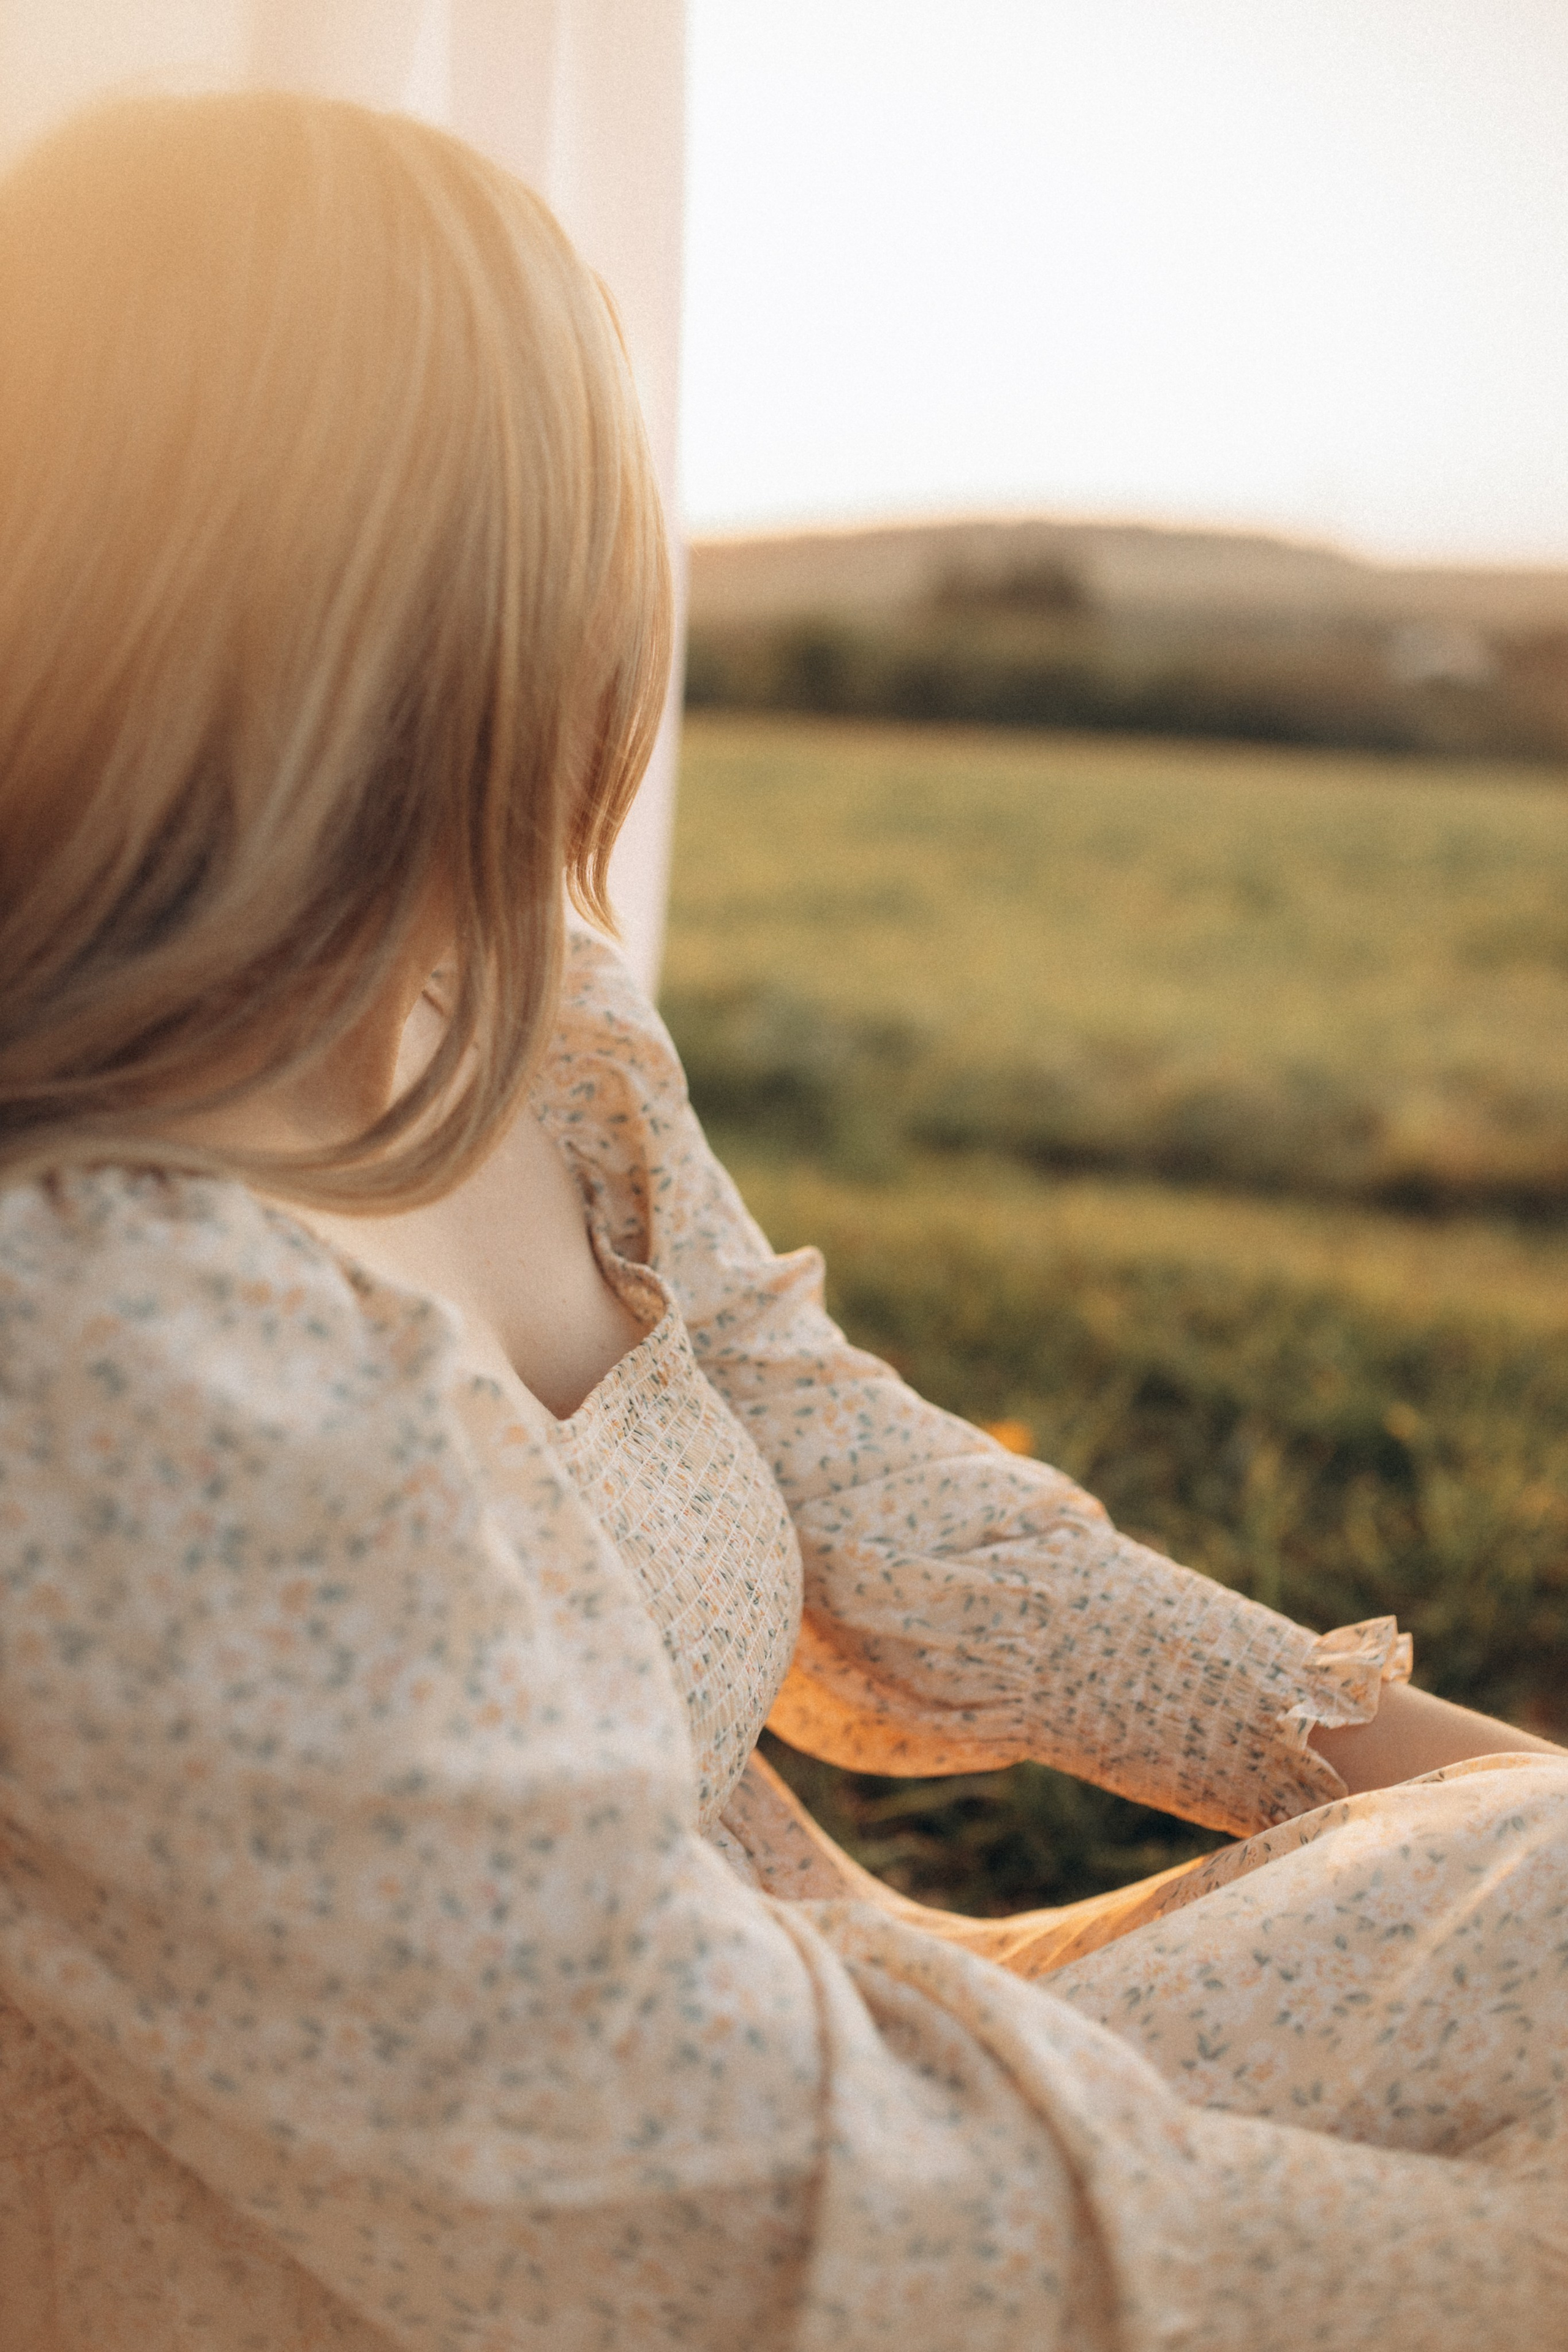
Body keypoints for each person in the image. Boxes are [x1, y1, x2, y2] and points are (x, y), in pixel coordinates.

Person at [0, 91, 1562, 2352]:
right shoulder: (112, 1332)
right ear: (472, 578)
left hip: (835, 2043)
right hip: (448, 2266)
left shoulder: (511, 1007)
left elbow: (856, 1492)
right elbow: (665, 2200)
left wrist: (1385, 1765)